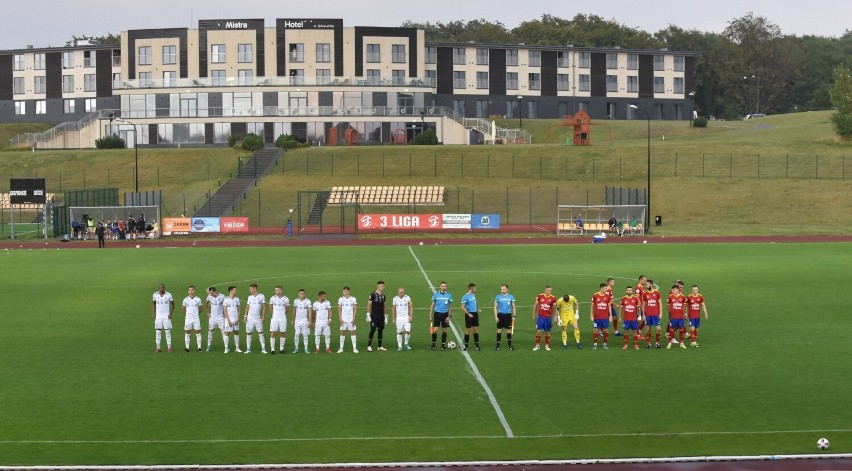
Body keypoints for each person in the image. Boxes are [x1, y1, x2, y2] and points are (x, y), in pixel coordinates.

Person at [243, 283, 268, 354]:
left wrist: (263, 317)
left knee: (261, 333)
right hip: (250, 318)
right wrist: (245, 316)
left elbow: (264, 307)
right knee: (248, 333)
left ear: (255, 289)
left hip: (258, 318)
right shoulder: (249, 297)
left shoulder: (261, 296)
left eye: (251, 289)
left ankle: (263, 349)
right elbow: (247, 307)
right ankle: (248, 349)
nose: (250, 290)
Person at [429, 281, 453, 351]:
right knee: (435, 330)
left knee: (444, 330)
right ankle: (433, 345)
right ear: (440, 287)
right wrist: (430, 315)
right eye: (442, 286)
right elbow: (432, 305)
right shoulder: (436, 295)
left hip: (445, 315)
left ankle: (443, 346)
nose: (444, 287)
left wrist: (449, 316)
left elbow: (451, 306)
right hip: (437, 314)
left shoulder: (449, 295)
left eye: (445, 286)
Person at [532, 285, 557, 351]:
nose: (549, 292)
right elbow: (535, 305)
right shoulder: (540, 296)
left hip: (548, 317)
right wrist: (534, 315)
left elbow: (555, 308)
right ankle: (537, 345)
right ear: (545, 290)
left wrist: (555, 317)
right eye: (548, 290)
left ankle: (547, 345)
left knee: (547, 332)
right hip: (540, 317)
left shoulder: (553, 298)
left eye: (550, 290)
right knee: (538, 331)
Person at [152, 283, 175, 352]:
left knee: (167, 331)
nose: (161, 289)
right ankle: (158, 348)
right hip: (158, 317)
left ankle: (169, 347)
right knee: (158, 332)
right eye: (160, 288)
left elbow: (173, 305)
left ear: (164, 288)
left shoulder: (168, 295)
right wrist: (154, 313)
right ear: (158, 288)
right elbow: (153, 304)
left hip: (166, 316)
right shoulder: (155, 295)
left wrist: (171, 314)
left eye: (162, 288)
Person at [493, 284, 516, 351]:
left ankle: (510, 346)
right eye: (501, 289)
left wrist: (514, 316)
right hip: (500, 315)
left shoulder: (511, 297)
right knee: (499, 330)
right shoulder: (498, 297)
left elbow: (514, 306)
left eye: (503, 289)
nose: (502, 290)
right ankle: (497, 347)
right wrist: (496, 316)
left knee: (508, 330)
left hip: (508, 315)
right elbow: (495, 307)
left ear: (507, 289)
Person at [367, 281, 388, 352]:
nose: (383, 287)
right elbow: (369, 304)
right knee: (373, 329)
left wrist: (386, 315)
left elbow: (384, 305)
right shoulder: (373, 294)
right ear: (378, 286)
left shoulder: (383, 296)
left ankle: (379, 346)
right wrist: (368, 314)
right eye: (382, 286)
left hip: (381, 316)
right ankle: (369, 346)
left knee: (380, 330)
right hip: (374, 315)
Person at [590, 283, 613, 350]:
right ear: (602, 288)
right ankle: (595, 344)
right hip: (597, 317)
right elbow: (592, 306)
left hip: (605, 317)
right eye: (606, 288)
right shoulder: (595, 295)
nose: (607, 289)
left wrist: (610, 316)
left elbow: (609, 306)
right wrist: (591, 315)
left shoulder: (607, 296)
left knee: (605, 330)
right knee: (596, 330)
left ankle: (605, 344)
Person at [268, 285, 290, 354]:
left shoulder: (286, 299)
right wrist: (274, 314)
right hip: (274, 318)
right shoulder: (272, 298)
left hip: (283, 318)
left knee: (282, 332)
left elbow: (287, 309)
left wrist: (282, 314)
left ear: (281, 290)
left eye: (277, 290)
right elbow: (270, 307)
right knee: (273, 332)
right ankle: (272, 349)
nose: (276, 291)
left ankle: (281, 349)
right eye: (275, 290)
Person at [205, 286, 227, 353]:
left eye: (212, 293)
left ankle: (226, 347)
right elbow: (206, 303)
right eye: (210, 293)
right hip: (212, 318)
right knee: (210, 331)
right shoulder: (209, 296)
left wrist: (224, 313)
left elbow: (225, 305)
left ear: (215, 291)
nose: (211, 294)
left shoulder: (222, 296)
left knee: (224, 332)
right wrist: (208, 312)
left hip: (220, 317)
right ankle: (208, 346)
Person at [182, 285, 203, 352]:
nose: (191, 291)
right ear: (188, 291)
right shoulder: (185, 300)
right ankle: (187, 348)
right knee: (187, 333)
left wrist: (195, 314)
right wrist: (189, 315)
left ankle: (199, 348)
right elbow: (183, 309)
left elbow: (200, 309)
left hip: (196, 318)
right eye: (190, 290)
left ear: (194, 290)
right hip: (188, 318)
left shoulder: (198, 299)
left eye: (192, 290)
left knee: (198, 333)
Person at [642, 279, 663, 348]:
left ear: (651, 285)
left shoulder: (657, 293)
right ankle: (649, 343)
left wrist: (660, 313)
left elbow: (660, 303)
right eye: (646, 285)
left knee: (658, 329)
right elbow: (644, 304)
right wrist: (643, 314)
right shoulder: (645, 293)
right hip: (648, 314)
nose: (646, 286)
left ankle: (657, 343)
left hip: (655, 314)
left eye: (647, 285)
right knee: (648, 329)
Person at [337, 286, 358, 353]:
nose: (344, 292)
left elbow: (355, 309)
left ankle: (354, 348)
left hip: (351, 318)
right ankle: (341, 348)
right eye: (343, 291)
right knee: (343, 332)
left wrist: (354, 318)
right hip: (343, 318)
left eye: (345, 291)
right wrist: (340, 318)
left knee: (352, 332)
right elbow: (339, 309)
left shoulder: (353, 299)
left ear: (349, 291)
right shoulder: (340, 299)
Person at [391, 287, 413, 351]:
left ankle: (406, 343)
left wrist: (411, 316)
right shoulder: (395, 299)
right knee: (399, 332)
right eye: (401, 292)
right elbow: (393, 309)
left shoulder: (407, 298)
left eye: (403, 292)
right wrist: (393, 319)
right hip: (399, 318)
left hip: (406, 317)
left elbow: (411, 307)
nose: (402, 293)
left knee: (408, 331)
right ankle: (400, 346)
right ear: (398, 292)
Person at [666, 285, 688, 350]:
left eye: (674, 290)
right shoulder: (670, 297)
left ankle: (681, 343)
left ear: (678, 290)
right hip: (673, 317)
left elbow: (685, 306)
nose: (673, 291)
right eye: (673, 290)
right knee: (671, 329)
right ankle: (669, 343)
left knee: (681, 329)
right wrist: (671, 312)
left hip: (680, 317)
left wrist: (684, 313)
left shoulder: (683, 297)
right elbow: (667, 306)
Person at [460, 283, 480, 351]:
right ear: (471, 288)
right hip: (469, 314)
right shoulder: (465, 297)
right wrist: (468, 313)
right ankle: (466, 346)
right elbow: (462, 307)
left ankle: (477, 345)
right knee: (468, 330)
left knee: (476, 329)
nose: (475, 289)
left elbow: (474, 303)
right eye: (475, 288)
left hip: (475, 314)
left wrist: (477, 309)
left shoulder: (473, 295)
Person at [291, 289, 312, 354]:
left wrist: (310, 321)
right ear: (298, 294)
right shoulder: (295, 301)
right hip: (297, 320)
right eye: (301, 293)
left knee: (305, 334)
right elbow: (294, 310)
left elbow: (310, 312)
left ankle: (306, 348)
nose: (302, 294)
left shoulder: (308, 301)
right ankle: (296, 348)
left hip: (304, 320)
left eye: (303, 293)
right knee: (296, 334)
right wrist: (292, 319)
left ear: (305, 294)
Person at [223, 286, 242, 353]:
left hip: (235, 319)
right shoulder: (226, 300)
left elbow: (239, 310)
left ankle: (237, 348)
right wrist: (228, 320)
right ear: (231, 291)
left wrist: (238, 319)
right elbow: (225, 311)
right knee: (227, 333)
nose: (236, 291)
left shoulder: (237, 299)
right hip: (228, 319)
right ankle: (226, 348)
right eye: (235, 290)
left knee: (236, 332)